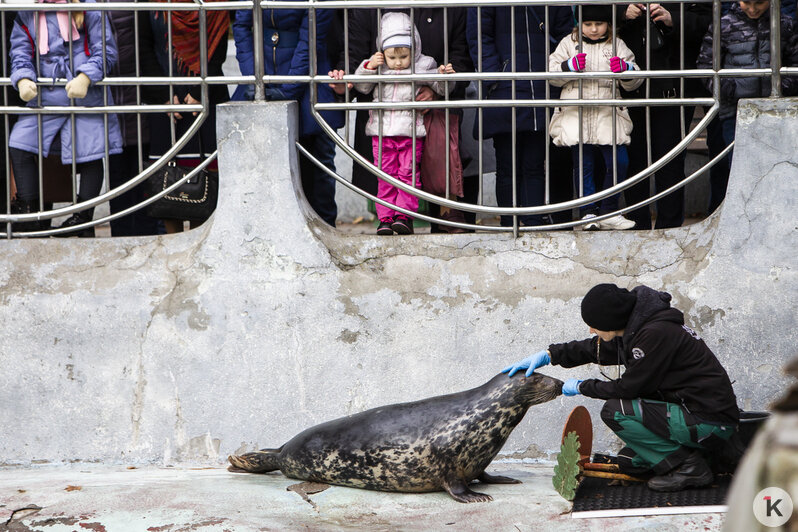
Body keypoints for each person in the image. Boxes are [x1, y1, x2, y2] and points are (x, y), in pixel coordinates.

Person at [503, 283, 740, 492]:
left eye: (594, 325)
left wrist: (582, 387)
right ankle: (699, 458)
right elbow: (594, 349)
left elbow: (629, 389)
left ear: (611, 321)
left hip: (708, 420)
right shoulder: (636, 329)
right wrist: (550, 354)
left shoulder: (655, 334)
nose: (591, 331)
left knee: (615, 411)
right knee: (629, 461)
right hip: (688, 413)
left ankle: (690, 468)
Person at [332, 7, 472, 233]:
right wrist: (359, 70)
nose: (397, 62)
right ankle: (386, 219)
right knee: (385, 176)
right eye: (393, 57)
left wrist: (439, 87)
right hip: (382, 130)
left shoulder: (425, 61)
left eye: (403, 57)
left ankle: (408, 217)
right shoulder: (369, 18)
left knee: (409, 176)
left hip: (420, 128)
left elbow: (455, 63)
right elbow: (357, 69)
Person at [8, 0, 122, 236]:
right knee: (19, 143)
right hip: (45, 97)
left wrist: (86, 77)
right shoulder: (27, 12)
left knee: (91, 152)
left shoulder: (90, 9)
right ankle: (30, 214)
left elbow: (106, 51)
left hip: (86, 95)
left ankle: (82, 218)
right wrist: (22, 78)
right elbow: (19, 52)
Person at [232, 1, 344, 227]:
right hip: (261, 76)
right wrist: (253, 79)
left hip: (310, 78)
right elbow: (241, 27)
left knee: (317, 166)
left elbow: (310, 40)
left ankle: (324, 237)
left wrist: (288, 88)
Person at [467, 3, 573, 228]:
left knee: (534, 163)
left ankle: (532, 222)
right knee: (507, 164)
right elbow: (479, 35)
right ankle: (509, 222)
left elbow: (566, 37)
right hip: (504, 87)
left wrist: (556, 73)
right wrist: (494, 75)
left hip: (541, 85)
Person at [548, 5, 641, 231]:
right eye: (588, 24)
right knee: (584, 166)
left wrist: (626, 70)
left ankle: (610, 211)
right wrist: (567, 67)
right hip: (576, 114)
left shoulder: (617, 45)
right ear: (579, 24)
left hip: (607, 113)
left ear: (608, 24)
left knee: (619, 162)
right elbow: (551, 74)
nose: (593, 29)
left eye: (598, 24)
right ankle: (587, 212)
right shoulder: (568, 44)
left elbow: (637, 78)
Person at [148, 0, 230, 234]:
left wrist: (199, 91)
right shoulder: (152, 4)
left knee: (205, 179)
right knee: (165, 180)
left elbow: (218, 50)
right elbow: (144, 47)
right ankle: (174, 247)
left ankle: (199, 241)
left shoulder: (215, 4)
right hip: (167, 101)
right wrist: (163, 95)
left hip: (206, 96)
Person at [696, 0, 798, 166]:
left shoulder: (784, 24)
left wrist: (780, 89)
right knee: (740, 166)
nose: (752, 9)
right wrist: (730, 91)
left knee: (776, 166)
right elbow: (707, 65)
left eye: (759, 3)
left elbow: (795, 63)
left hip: (776, 111)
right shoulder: (724, 25)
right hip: (735, 112)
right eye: (747, 2)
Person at [618, 3, 688, 229]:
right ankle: (636, 226)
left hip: (671, 91)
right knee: (634, 164)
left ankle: (670, 228)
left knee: (670, 164)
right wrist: (621, 12)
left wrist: (672, 18)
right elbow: (588, 14)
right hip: (627, 93)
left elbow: (707, 18)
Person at [107, 0, 163, 236]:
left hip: (137, 93)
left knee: (138, 170)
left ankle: (133, 232)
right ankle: (125, 231)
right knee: (123, 170)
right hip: (113, 94)